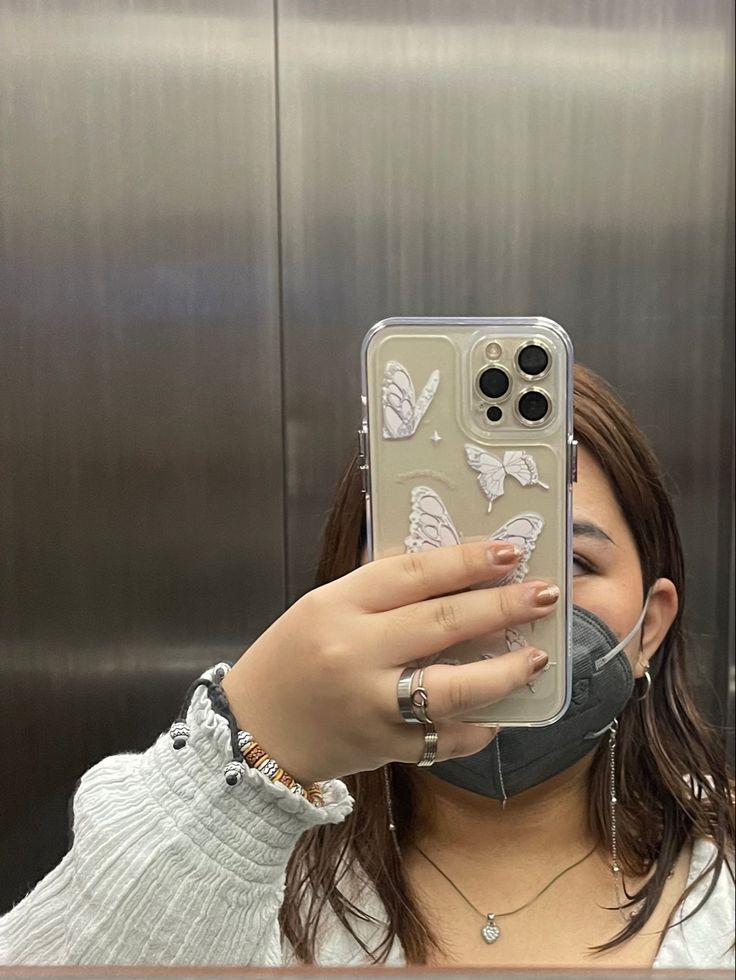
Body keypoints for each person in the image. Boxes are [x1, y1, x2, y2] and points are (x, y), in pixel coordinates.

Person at [0, 364, 733, 969]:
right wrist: (249, 750)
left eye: (570, 562)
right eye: (426, 556)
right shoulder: (248, 871)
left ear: (650, 629)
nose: (497, 609)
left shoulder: (722, 869)